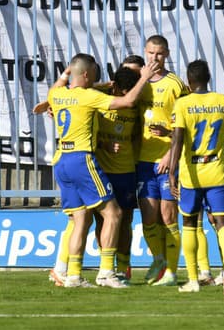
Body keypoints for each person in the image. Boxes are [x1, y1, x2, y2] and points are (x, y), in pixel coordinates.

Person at [46, 53, 157, 288]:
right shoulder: (88, 96)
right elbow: (126, 102)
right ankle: (106, 272)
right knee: (114, 214)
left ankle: (72, 275)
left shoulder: (56, 94)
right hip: (81, 159)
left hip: (61, 160)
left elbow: (60, 84)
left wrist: (68, 74)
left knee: (81, 219)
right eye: (95, 73)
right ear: (86, 75)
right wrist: (144, 77)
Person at [168, 59, 224, 294]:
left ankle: (192, 279)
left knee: (189, 224)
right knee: (223, 224)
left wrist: (172, 174)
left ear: (189, 82)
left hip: (192, 174)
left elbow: (177, 141)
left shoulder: (183, 104)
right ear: (208, 77)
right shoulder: (223, 101)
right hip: (218, 171)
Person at [136, 35, 189, 287]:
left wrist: (171, 153)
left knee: (168, 217)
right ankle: (158, 259)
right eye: (150, 53)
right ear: (144, 53)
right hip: (142, 161)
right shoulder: (139, 82)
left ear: (166, 54)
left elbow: (185, 124)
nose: (154, 58)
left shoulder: (175, 84)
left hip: (167, 160)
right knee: (149, 217)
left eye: (159, 54)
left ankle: (171, 271)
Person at [93, 64, 142, 284]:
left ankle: (123, 267)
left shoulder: (136, 105)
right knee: (101, 221)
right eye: (121, 92)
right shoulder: (98, 99)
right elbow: (71, 89)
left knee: (125, 221)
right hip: (102, 170)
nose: (125, 97)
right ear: (114, 88)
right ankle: (107, 266)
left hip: (126, 171)